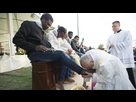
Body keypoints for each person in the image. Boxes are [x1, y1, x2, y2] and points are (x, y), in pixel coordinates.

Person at [13, 13, 94, 90]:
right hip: (34, 54)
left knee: (65, 56)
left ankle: (60, 81)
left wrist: (47, 46)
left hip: (41, 52)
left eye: (50, 25)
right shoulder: (29, 24)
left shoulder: (42, 31)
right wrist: (35, 47)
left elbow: (44, 43)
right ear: (43, 19)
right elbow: (16, 40)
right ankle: (82, 71)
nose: (48, 27)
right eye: (48, 24)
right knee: (61, 54)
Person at [106, 21, 136, 88]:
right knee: (118, 74)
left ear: (119, 25)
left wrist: (114, 45)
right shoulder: (110, 36)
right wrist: (110, 45)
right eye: (112, 26)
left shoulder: (126, 32)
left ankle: (132, 87)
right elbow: (107, 44)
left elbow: (127, 43)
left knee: (128, 73)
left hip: (125, 56)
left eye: (115, 26)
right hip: (116, 57)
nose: (113, 27)